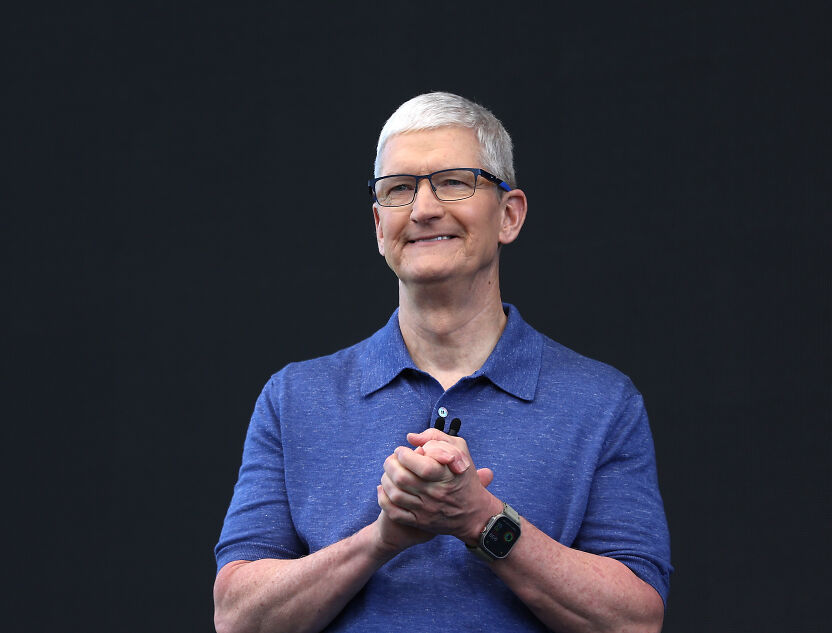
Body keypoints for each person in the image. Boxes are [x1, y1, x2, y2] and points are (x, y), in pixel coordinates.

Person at [213, 92, 672, 633]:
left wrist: (481, 519)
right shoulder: (294, 398)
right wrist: (383, 537)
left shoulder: (603, 402)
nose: (424, 208)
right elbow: (237, 618)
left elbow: (634, 622)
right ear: (379, 225)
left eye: (454, 181)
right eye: (399, 189)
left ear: (509, 215)